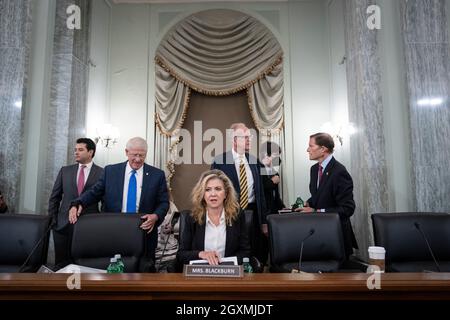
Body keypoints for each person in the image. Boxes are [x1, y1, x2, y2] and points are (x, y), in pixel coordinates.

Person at [69, 137, 169, 262]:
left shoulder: (157, 175)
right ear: (126, 152)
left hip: (143, 231)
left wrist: (156, 216)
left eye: (141, 155)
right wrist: (78, 203)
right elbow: (94, 192)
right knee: (113, 270)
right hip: (114, 230)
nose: (138, 159)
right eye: (134, 155)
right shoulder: (111, 171)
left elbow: (164, 202)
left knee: (143, 272)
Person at [211, 123, 267, 265]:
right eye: (245, 137)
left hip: (253, 213)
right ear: (234, 139)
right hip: (231, 213)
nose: (249, 140)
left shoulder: (254, 161)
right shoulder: (220, 161)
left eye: (250, 137)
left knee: (255, 254)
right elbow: (214, 191)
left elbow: (260, 193)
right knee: (236, 254)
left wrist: (264, 221)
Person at [295, 132, 358, 257]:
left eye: (311, 146)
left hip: (336, 236)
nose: (307, 149)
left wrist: (316, 211)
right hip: (320, 235)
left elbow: (347, 209)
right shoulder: (314, 170)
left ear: (323, 149)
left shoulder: (339, 171)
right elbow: (320, 195)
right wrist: (308, 203)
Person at [48, 138, 103, 268]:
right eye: (75, 150)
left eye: (80, 150)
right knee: (61, 265)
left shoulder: (102, 172)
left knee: (84, 266)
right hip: (62, 226)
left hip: (89, 226)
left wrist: (101, 223)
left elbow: (105, 200)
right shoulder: (65, 171)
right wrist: (53, 220)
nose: (76, 153)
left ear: (90, 152)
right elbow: (54, 198)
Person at [177, 169, 250, 266]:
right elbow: (181, 255)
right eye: (207, 190)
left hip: (228, 273)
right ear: (203, 194)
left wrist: (225, 264)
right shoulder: (191, 218)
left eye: (218, 189)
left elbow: (245, 252)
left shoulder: (237, 215)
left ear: (226, 194)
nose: (213, 194)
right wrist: (202, 254)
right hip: (199, 275)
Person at [260, 141, 285, 215]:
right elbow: (259, 189)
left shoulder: (275, 172)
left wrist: (282, 207)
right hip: (262, 213)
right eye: (275, 155)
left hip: (273, 213)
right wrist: (272, 182)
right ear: (265, 154)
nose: (278, 158)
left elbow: (275, 195)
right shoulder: (256, 169)